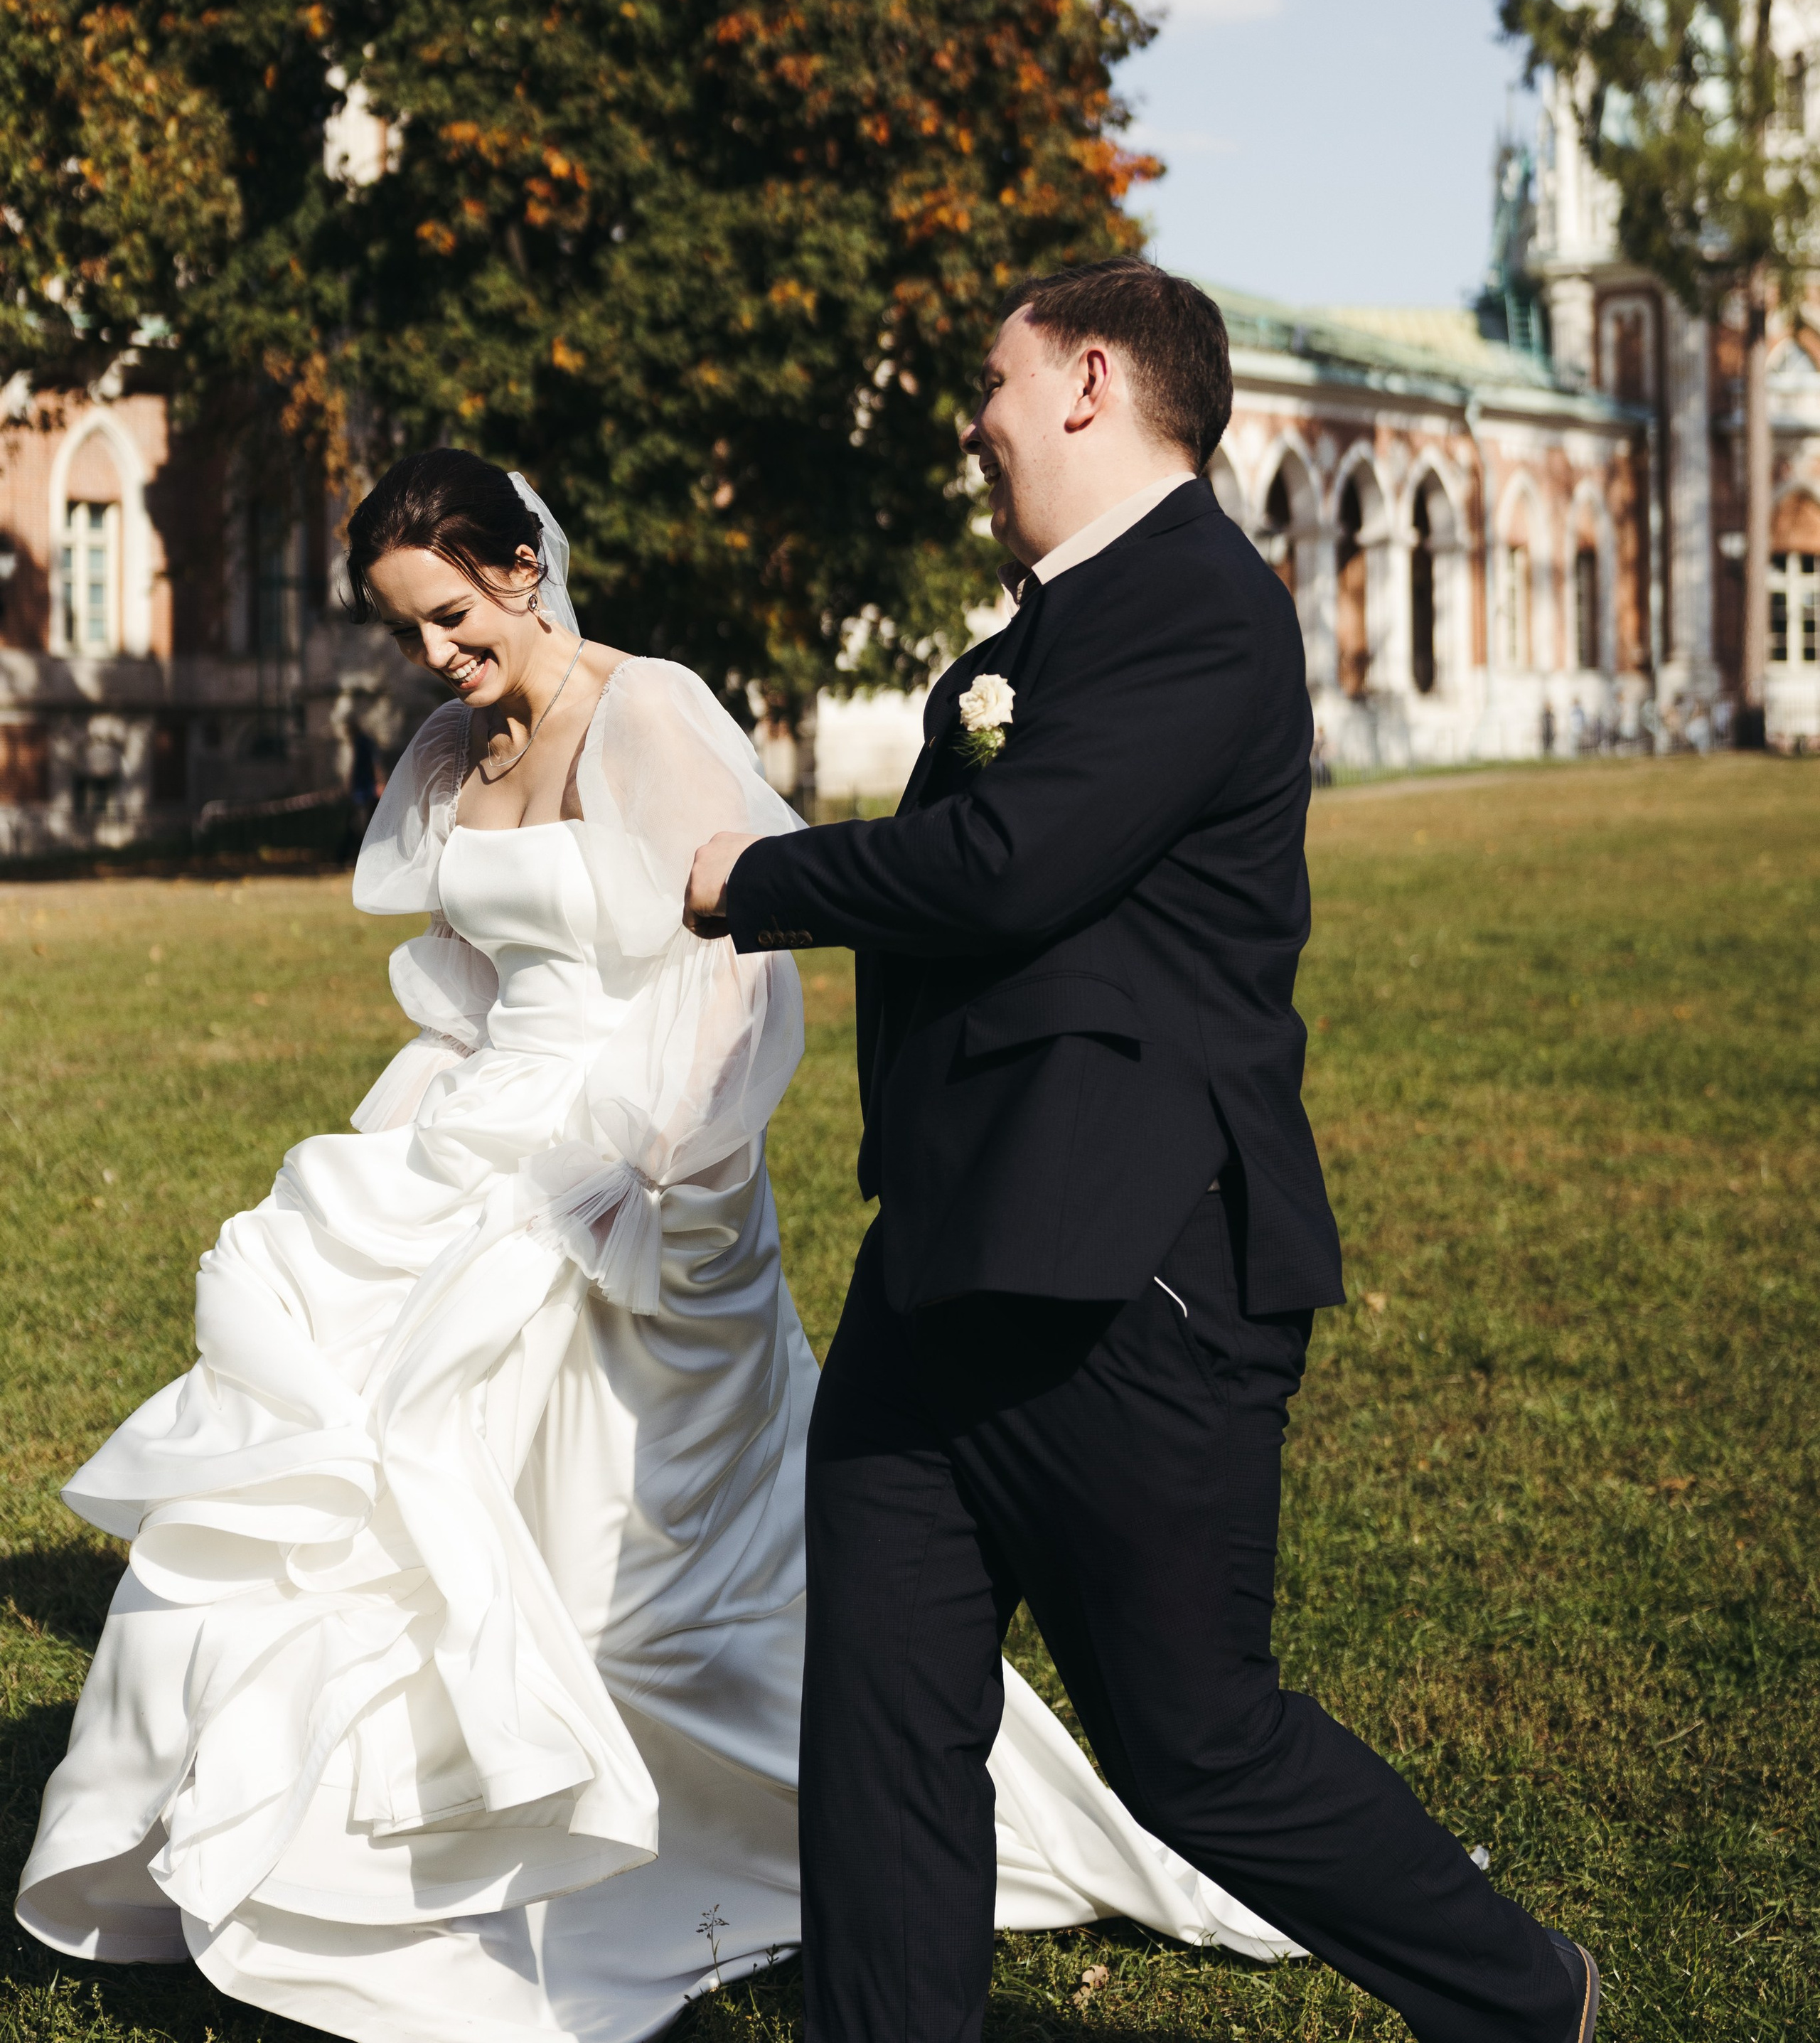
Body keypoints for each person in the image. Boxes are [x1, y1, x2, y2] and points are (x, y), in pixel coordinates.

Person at [18, 448, 1295, 2043]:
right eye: (406, 630)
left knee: (610, 1529)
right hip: (485, 1127)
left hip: (644, 1154)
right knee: (364, 1465)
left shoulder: (648, 710)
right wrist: (430, 1123)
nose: (434, 655)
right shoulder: (450, 748)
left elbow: (745, 965)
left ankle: (687, 1820)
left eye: (452, 615)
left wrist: (659, 1169)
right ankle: (399, 1851)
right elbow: (470, 977)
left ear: (523, 568)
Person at [687, 259, 1600, 2043]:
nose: (974, 421)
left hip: (1128, 1273)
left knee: (1192, 1745)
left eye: (993, 383)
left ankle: (1520, 1997)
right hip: (940, 1261)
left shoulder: (1201, 606)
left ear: (1089, 381)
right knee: (878, 1723)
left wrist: (755, 879)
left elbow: (1008, 866)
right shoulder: (1023, 644)